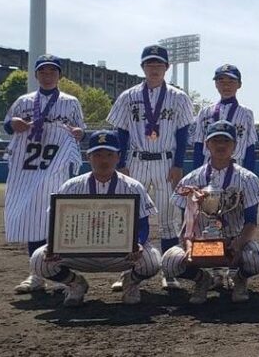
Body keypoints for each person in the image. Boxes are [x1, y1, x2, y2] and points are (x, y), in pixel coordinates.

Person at [28, 130, 161, 306]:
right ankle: (76, 284)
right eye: (97, 155)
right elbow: (56, 222)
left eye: (109, 155)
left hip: (122, 254)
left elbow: (143, 224)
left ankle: (131, 282)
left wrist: (137, 243)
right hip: (80, 253)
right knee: (39, 260)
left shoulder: (133, 186)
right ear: (88, 157)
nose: (104, 160)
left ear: (118, 157)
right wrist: (54, 245)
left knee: (151, 261)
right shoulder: (71, 186)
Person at [107, 45, 195, 286]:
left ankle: (169, 271)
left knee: (168, 218)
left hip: (166, 161)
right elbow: (121, 131)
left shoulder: (178, 97)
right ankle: (128, 271)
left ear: (167, 67)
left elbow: (183, 133)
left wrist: (178, 164)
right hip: (136, 160)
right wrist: (121, 163)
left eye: (158, 64)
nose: (154, 68)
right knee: (130, 216)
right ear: (142, 67)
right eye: (149, 64)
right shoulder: (128, 96)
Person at [161, 121, 259, 304]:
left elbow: (251, 221)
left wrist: (238, 244)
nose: (221, 145)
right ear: (207, 144)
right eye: (215, 140)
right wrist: (188, 245)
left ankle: (239, 279)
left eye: (226, 141)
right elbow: (186, 222)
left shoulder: (248, 179)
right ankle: (203, 279)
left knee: (257, 257)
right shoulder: (191, 179)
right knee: (169, 262)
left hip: (233, 242)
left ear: (234, 146)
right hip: (200, 242)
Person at [5, 54, 85, 293]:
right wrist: (14, 123)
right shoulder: (24, 101)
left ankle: (59, 272)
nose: (47, 75)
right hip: (28, 170)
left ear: (59, 75)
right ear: (36, 75)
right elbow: (7, 124)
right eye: (43, 71)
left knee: (58, 221)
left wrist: (78, 132)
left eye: (52, 71)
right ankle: (36, 274)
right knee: (32, 220)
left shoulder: (70, 102)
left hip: (57, 169)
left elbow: (81, 131)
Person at [191, 64, 257, 171]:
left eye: (231, 81)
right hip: (208, 167)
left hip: (237, 167)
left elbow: (250, 147)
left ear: (239, 84)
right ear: (216, 84)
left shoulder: (246, 113)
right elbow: (198, 145)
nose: (226, 86)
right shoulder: (205, 112)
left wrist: (249, 173)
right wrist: (197, 173)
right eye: (221, 81)